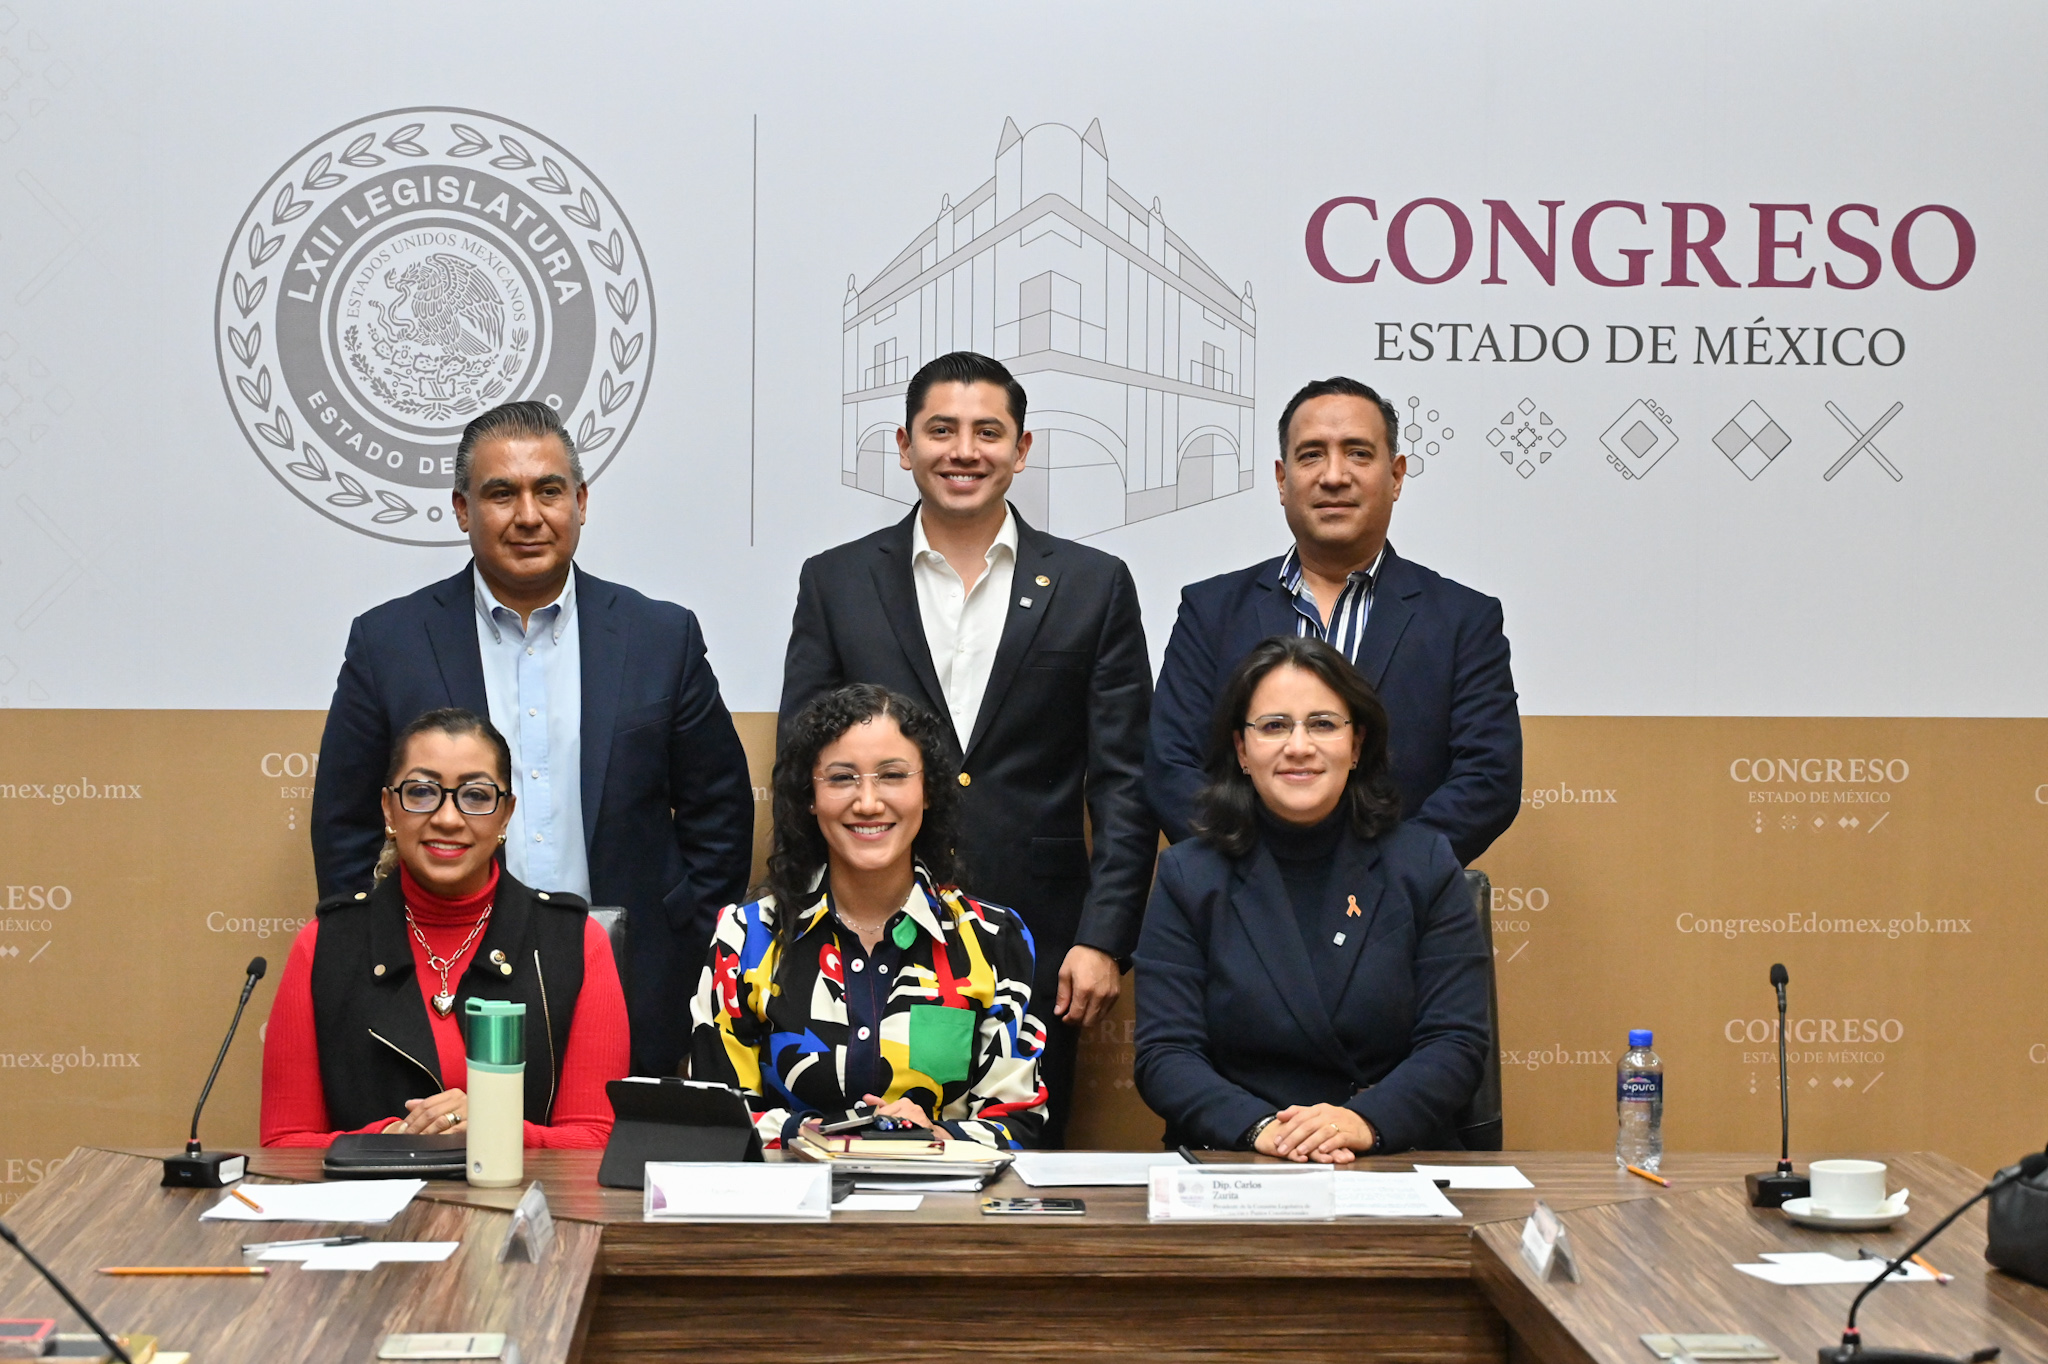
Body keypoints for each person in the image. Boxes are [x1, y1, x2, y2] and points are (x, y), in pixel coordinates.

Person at [310, 400, 753, 1077]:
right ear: (462, 510)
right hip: (442, 980)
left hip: (630, 977)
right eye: (500, 494)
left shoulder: (660, 637)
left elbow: (719, 812)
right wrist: (380, 963)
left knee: (610, 1145)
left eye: (548, 491)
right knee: (458, 1146)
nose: (528, 515)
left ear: (580, 502)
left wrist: (684, 939)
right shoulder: (389, 643)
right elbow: (344, 825)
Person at [779, 351, 1154, 1147]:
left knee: (1014, 1158)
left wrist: (1103, 937)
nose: (964, 451)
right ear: (904, 445)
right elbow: (800, 765)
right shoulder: (837, 582)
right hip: (862, 939)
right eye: (941, 430)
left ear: (1022, 449)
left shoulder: (1094, 584)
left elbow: (1125, 782)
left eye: (988, 432)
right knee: (854, 1151)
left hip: (1038, 942)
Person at [1133, 636, 1490, 1157]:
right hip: (1239, 1154)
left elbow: (1455, 1042)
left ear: (1357, 744)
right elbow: (1165, 1054)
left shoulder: (1424, 864)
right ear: (1242, 750)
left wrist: (1362, 1122)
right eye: (1274, 726)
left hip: (1389, 1152)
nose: (1299, 746)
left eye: (1322, 724)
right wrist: (1263, 1129)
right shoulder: (1189, 875)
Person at [1146, 376, 1521, 865]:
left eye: (1358, 453)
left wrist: (1382, 876)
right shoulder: (1211, 611)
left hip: (1401, 901)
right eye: (1311, 455)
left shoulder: (1463, 620)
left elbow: (1488, 778)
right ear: (1282, 479)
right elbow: (1171, 765)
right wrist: (1256, 874)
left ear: (1396, 476)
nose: (1334, 476)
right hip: (1239, 895)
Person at [690, 684, 1046, 1149]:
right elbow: (713, 1123)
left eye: (893, 775)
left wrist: (934, 1136)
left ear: (928, 791)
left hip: (944, 1193)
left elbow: (1018, 1124)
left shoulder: (993, 939)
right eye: (842, 778)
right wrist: (818, 1136)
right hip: (793, 1192)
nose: (868, 802)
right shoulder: (747, 938)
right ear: (810, 796)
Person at [263, 708, 629, 1147]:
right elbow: (284, 1144)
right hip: (373, 1194)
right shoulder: (326, 944)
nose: (448, 819)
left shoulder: (575, 943)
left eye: (475, 795)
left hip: (525, 1193)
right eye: (421, 792)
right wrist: (393, 1140)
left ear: (506, 815)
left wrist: (498, 1131)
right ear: (388, 809)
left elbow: (596, 1141)